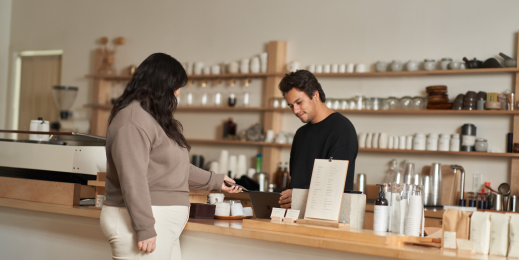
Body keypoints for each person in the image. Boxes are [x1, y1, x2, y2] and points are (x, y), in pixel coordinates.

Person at [100, 53, 241, 260]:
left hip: (162, 225)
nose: (178, 93)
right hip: (142, 223)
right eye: (177, 86)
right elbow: (133, 179)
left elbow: (175, 167)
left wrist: (215, 181)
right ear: (162, 85)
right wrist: (145, 227)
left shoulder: (154, 118)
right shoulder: (132, 120)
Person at [277, 70, 358, 208]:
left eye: (299, 102)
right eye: (291, 106)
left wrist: (298, 197)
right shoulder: (300, 134)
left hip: (328, 218)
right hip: (296, 217)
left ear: (315, 95)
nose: (295, 110)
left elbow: (334, 185)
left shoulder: (342, 129)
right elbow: (296, 182)